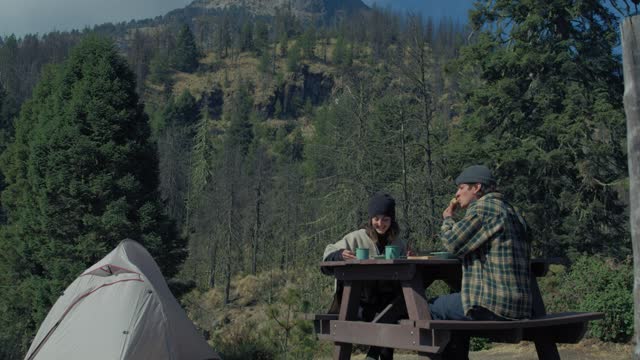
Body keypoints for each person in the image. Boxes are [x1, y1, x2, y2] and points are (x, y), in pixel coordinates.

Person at [431, 165, 532, 359]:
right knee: (456, 309)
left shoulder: (485, 208)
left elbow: (453, 243)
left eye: (461, 188)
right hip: (522, 306)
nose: (457, 193)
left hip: (494, 304)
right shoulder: (513, 211)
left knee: (427, 310)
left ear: (476, 188)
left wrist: (448, 219)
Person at [321, 192, 408, 360]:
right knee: (387, 318)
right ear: (370, 218)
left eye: (385, 219)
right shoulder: (356, 237)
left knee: (393, 311)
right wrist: (340, 254)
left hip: (385, 301)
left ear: (392, 220)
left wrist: (408, 256)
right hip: (356, 303)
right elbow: (327, 256)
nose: (380, 223)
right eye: (376, 218)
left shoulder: (398, 242)